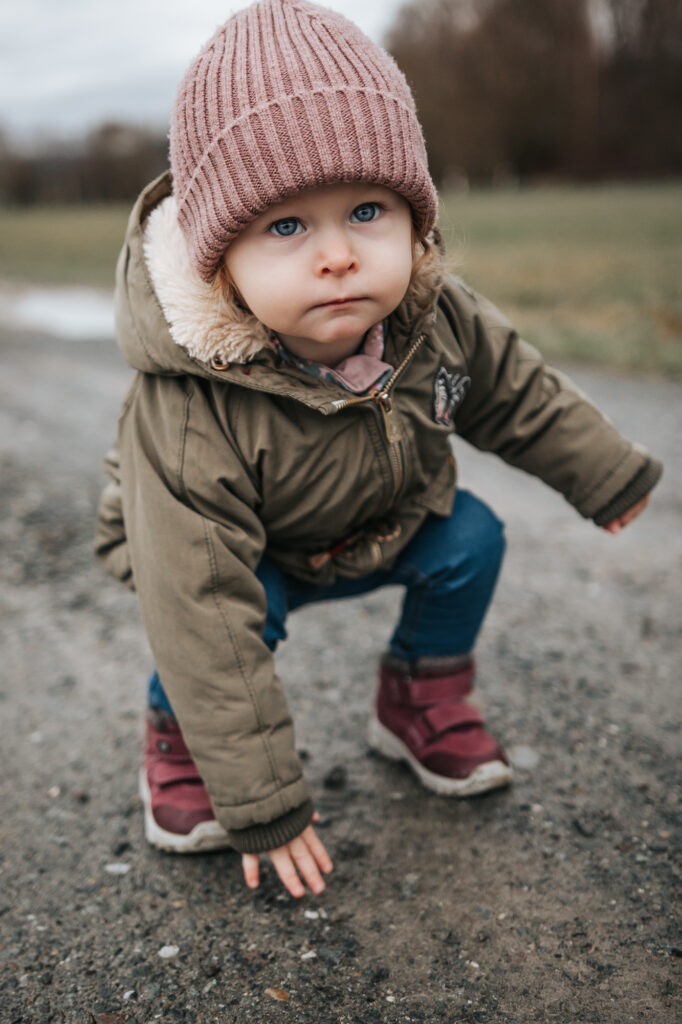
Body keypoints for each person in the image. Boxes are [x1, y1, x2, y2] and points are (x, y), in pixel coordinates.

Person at [95, 0, 662, 899]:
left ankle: (420, 699)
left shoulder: (432, 318)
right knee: (220, 615)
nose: (336, 256)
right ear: (219, 259)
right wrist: (266, 802)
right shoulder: (191, 401)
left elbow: (515, 390)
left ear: (414, 216)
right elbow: (197, 605)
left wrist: (603, 472)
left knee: (470, 537)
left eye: (367, 210)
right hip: (238, 558)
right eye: (285, 226)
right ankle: (183, 747)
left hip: (376, 522)